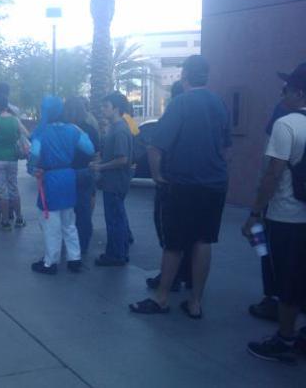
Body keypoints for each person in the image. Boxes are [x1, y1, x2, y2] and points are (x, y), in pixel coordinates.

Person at [130, 55, 231, 318]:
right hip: (214, 184)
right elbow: (225, 147)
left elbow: (155, 148)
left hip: (183, 184)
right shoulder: (219, 104)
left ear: (185, 75)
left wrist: (157, 177)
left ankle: (162, 298)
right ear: (206, 76)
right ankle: (195, 302)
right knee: (203, 240)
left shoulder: (180, 104)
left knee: (174, 243)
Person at [243, 62, 306, 363]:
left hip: (287, 217)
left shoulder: (287, 124)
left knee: (287, 280)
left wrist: (255, 213)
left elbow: (272, 175)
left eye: (286, 88)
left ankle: (284, 338)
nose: (283, 93)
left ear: (298, 92)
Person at [30, 96, 95, 274]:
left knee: (51, 224)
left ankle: (50, 263)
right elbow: (89, 149)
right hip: (68, 177)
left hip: (51, 179)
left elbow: (34, 154)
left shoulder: (41, 132)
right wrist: (79, 130)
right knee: (69, 222)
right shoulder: (72, 130)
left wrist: (33, 168)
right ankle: (75, 259)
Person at [146, 80, 193, 292]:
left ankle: (170, 278)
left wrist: (158, 176)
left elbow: (155, 147)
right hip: (199, 184)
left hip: (172, 183)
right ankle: (188, 276)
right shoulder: (206, 114)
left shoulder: (173, 115)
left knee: (168, 234)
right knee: (195, 236)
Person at [91, 92, 134, 267]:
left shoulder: (120, 129)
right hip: (114, 182)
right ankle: (120, 252)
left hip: (115, 182)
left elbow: (122, 159)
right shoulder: (117, 127)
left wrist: (100, 167)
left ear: (116, 108)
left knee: (114, 219)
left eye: (106, 106)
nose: (102, 109)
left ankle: (116, 255)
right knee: (118, 217)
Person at [0, 93, 29, 231]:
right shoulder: (15, 120)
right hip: (12, 159)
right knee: (13, 188)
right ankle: (19, 218)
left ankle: (6, 221)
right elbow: (26, 134)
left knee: (1, 191)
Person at [63, 97, 100, 255]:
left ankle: (67, 243)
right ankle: (82, 244)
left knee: (65, 211)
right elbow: (95, 153)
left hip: (65, 173)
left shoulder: (63, 130)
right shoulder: (89, 130)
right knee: (83, 211)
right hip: (85, 172)